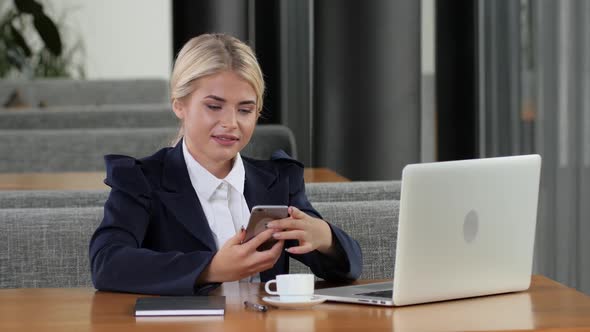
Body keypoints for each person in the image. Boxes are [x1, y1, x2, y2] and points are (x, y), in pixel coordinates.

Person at [89, 33, 362, 295]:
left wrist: (324, 237)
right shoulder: (141, 180)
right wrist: (211, 269)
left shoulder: (278, 180)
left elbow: (348, 268)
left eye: (244, 110)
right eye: (214, 106)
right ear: (179, 105)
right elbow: (107, 263)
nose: (231, 122)